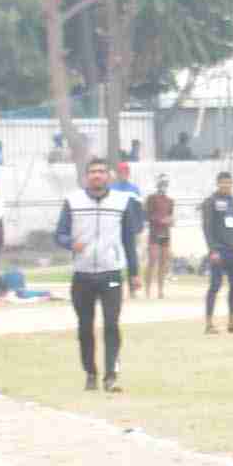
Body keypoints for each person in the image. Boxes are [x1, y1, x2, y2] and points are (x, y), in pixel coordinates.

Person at [55, 156, 142, 391]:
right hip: (82, 274)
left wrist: (134, 272)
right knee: (85, 327)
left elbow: (128, 240)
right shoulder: (73, 201)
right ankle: (90, 372)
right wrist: (71, 243)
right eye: (93, 172)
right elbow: (59, 234)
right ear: (86, 177)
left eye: (101, 171)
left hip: (111, 272)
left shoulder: (122, 202)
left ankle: (111, 374)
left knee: (112, 324)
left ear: (108, 176)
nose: (97, 175)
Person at [201, 171, 233, 333]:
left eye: (229, 183)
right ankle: (209, 324)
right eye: (223, 182)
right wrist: (212, 250)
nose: (226, 186)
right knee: (214, 286)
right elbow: (207, 228)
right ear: (218, 183)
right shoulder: (210, 202)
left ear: (232, 184)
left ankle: (232, 323)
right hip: (219, 251)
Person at [110, 160, 143, 285]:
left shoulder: (134, 189)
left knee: (131, 256)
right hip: (115, 227)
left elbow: (139, 209)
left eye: (126, 172)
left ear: (128, 173)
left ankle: (133, 286)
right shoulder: (112, 188)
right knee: (114, 257)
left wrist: (139, 226)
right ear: (118, 173)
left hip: (130, 227)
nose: (123, 174)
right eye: (121, 172)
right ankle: (114, 285)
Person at [143, 175, 175, 298]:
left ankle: (160, 290)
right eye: (161, 183)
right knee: (152, 260)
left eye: (165, 183)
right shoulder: (151, 198)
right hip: (154, 233)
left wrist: (170, 221)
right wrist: (160, 220)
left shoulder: (170, 201)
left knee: (163, 262)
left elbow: (170, 216)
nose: (163, 185)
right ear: (157, 184)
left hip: (165, 234)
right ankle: (147, 290)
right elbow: (147, 215)